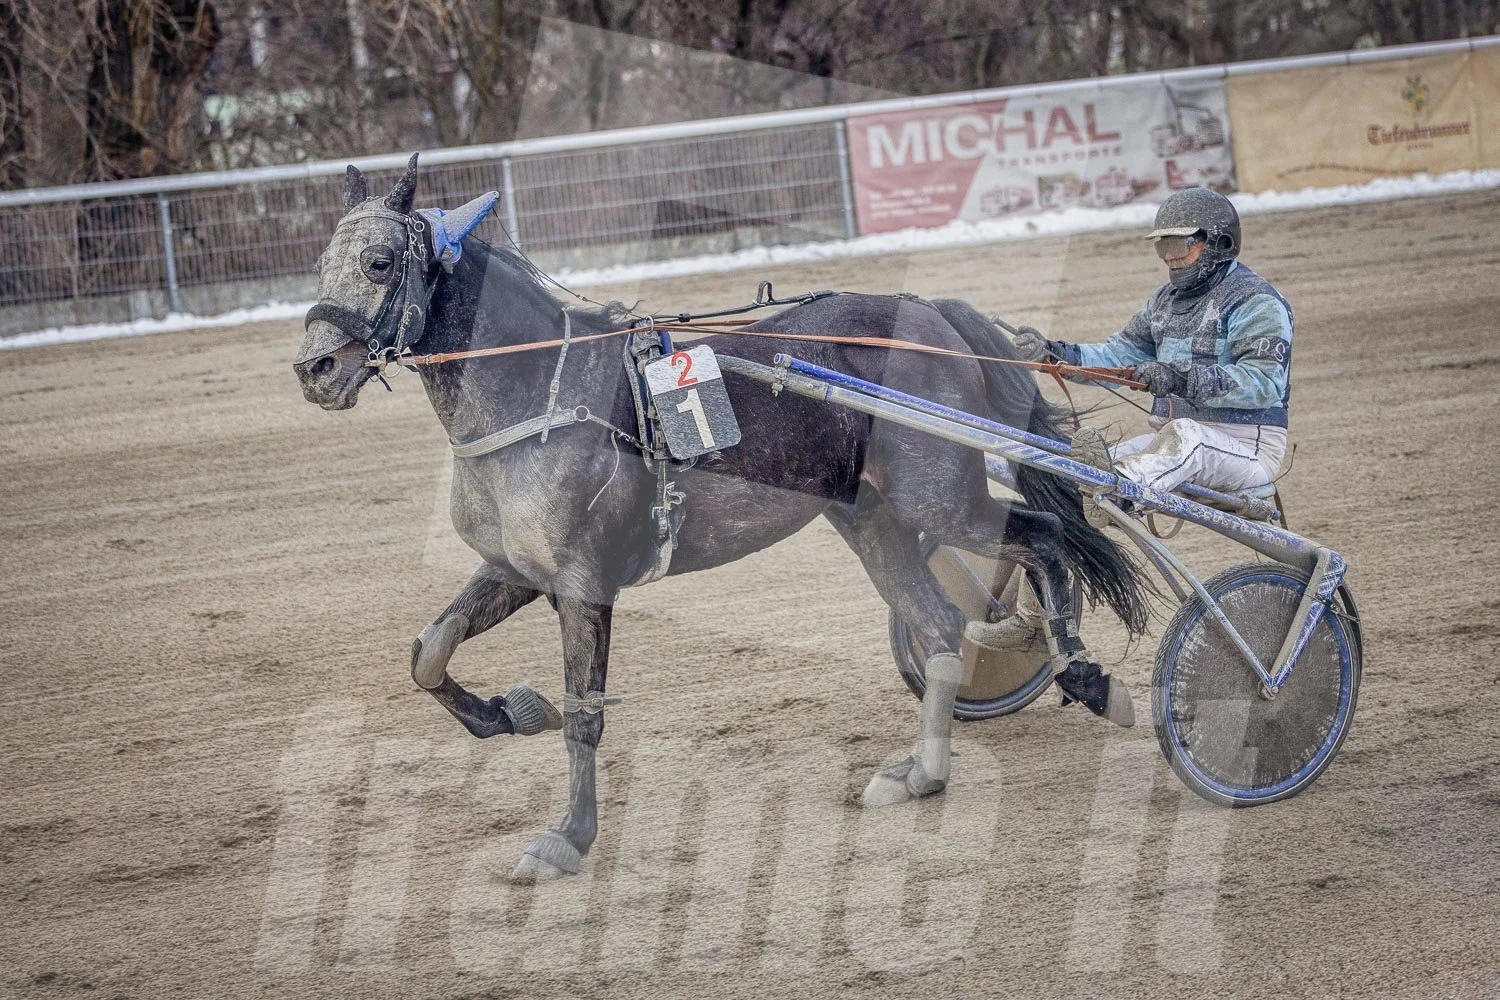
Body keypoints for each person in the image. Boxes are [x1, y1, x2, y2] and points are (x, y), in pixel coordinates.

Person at [968, 186, 1293, 656]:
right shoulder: (1163, 304)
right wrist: (1057, 354)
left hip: (1245, 451)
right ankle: (1034, 621)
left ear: (1218, 243)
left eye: (1181, 246)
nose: (1171, 259)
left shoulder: (1257, 303)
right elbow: (1118, 356)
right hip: (1172, 451)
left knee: (1185, 437)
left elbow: (1263, 382)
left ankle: (1117, 491)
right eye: (1163, 248)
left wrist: (1179, 377)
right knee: (1066, 479)